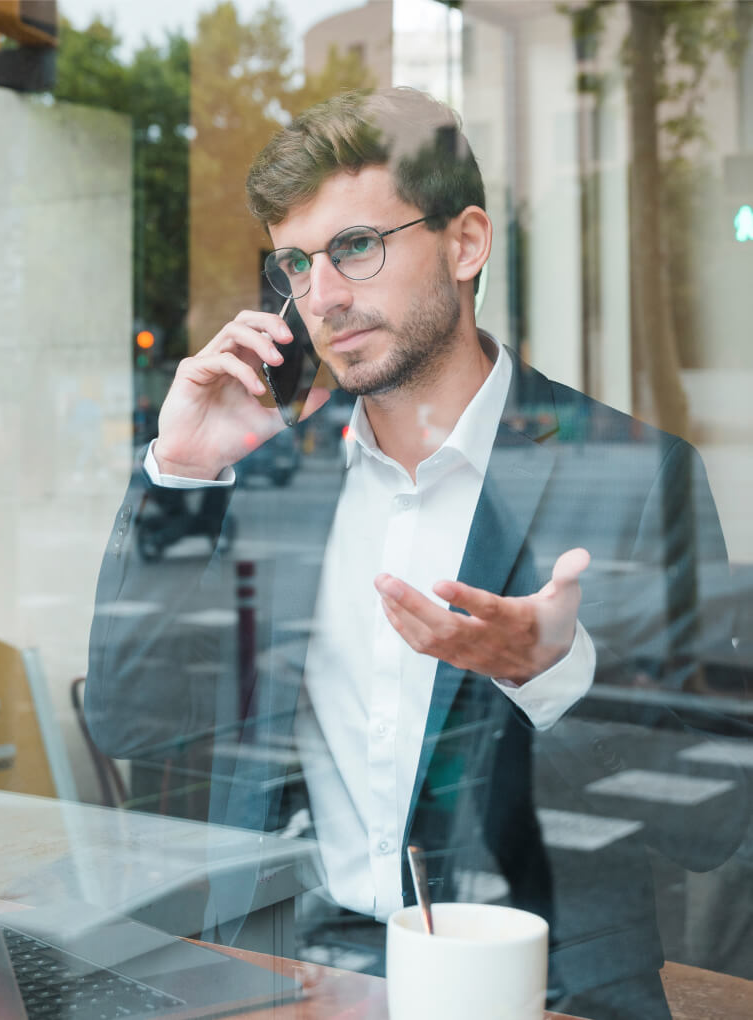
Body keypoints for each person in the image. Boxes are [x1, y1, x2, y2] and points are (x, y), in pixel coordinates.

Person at [86, 88, 743, 1020]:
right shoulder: (277, 481)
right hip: (288, 975)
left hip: (544, 987)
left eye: (355, 246)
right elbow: (131, 723)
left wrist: (553, 673)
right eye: (295, 264)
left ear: (465, 243)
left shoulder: (632, 477)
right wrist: (184, 482)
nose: (322, 297)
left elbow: (711, 822)